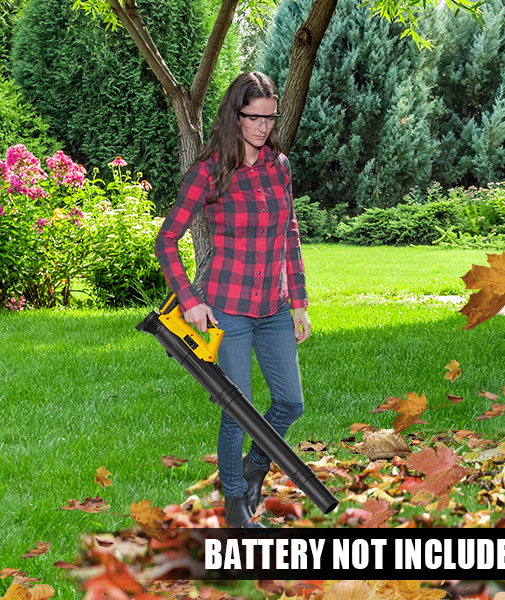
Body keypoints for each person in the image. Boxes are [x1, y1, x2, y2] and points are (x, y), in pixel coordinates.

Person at [154, 72, 312, 529]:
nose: (263, 126)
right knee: (237, 411)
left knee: (290, 403)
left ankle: (255, 468)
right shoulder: (210, 171)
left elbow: (289, 234)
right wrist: (189, 299)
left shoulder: (279, 166)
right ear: (235, 115)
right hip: (228, 308)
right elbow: (167, 240)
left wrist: (298, 301)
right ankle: (236, 501)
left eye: (270, 117)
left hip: (275, 307)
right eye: (253, 117)